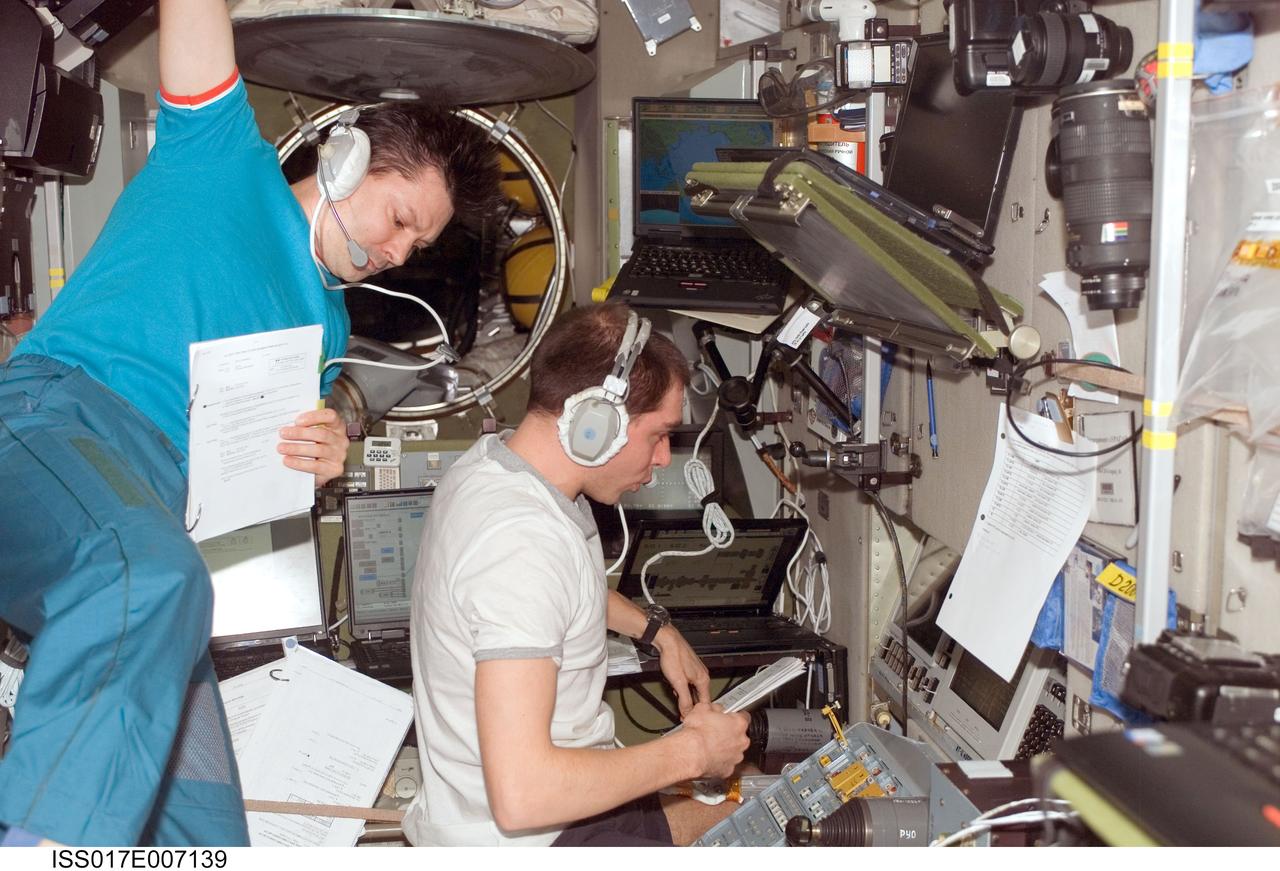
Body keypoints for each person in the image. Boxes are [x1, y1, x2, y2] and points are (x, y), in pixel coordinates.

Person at [0, 0, 499, 847]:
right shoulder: (221, 155)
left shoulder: (329, 332)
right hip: (58, 422)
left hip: (149, 519)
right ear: (346, 159)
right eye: (400, 220)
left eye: (418, 247)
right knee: (151, 576)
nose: (398, 254)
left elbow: (246, 486)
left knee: (208, 826)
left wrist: (317, 457)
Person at [405, 303, 751, 847]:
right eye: (659, 435)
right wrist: (693, 753)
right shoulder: (520, 544)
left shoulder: (498, 467)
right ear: (597, 425)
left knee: (762, 808)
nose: (665, 458)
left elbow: (565, 587)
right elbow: (523, 797)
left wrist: (656, 631)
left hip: (568, 803)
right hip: (534, 833)